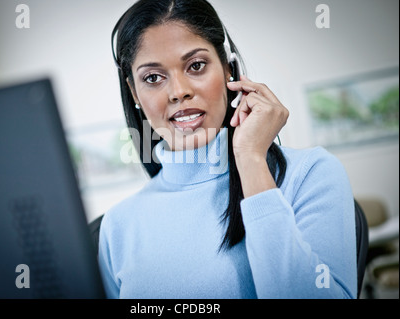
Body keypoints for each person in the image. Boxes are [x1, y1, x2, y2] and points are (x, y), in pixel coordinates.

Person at [98, 0, 357, 299]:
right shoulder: (117, 225)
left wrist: (250, 159)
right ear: (134, 92)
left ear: (227, 69)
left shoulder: (310, 173)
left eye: (196, 66)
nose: (178, 91)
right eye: (153, 78)